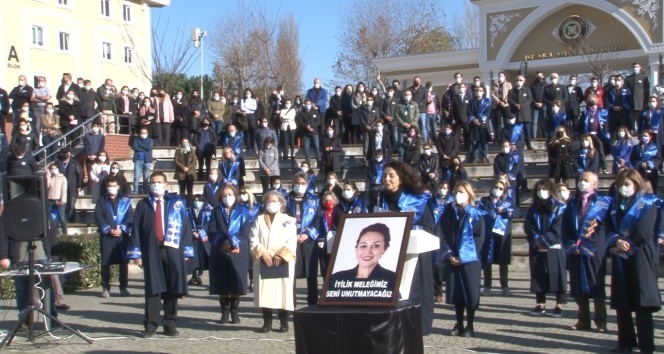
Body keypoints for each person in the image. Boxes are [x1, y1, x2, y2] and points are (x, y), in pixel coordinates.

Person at [126, 171, 194, 338]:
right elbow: (135, 229)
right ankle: (151, 324)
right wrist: (136, 253)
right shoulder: (143, 205)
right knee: (153, 287)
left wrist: (186, 250)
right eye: (153, 182)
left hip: (172, 249)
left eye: (159, 182)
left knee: (172, 286)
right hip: (152, 250)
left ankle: (170, 323)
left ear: (166, 185)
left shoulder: (176, 204)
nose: (156, 185)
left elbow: (185, 227)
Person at [373, 160, 435, 335]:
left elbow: (430, 227)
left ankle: (416, 328)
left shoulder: (417, 199)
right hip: (387, 254)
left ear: (401, 178)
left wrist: (411, 229)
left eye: (391, 175)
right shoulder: (378, 198)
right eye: (384, 175)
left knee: (412, 293)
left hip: (413, 256)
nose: (387, 179)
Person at [605, 169, 661, 353]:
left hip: (640, 256)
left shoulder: (648, 204)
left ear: (636, 184)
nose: (623, 188)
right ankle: (625, 341)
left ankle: (646, 346)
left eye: (627, 184)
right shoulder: (615, 205)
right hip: (620, 258)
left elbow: (644, 232)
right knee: (623, 300)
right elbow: (609, 228)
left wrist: (625, 244)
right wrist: (615, 242)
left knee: (641, 303)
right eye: (620, 185)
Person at [561, 172, 609, 333]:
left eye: (586, 180)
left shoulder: (603, 203)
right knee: (577, 286)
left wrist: (588, 246)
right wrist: (571, 246)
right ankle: (583, 319)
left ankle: (601, 320)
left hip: (593, 250)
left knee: (596, 285)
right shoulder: (572, 203)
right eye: (581, 179)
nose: (582, 183)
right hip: (575, 249)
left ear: (594, 184)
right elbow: (566, 226)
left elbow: (603, 228)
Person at [439, 181, 486, 337]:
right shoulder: (449, 212)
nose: (459, 195)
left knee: (470, 293)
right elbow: (443, 233)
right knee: (457, 294)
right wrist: (448, 255)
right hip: (452, 257)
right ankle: (458, 323)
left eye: (462, 192)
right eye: (457, 192)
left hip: (470, 260)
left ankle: (470, 325)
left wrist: (465, 256)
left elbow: (479, 238)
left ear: (469, 194)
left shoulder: (476, 214)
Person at [250, 191, 297, 333]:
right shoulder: (259, 219)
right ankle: (267, 322)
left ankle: (284, 322)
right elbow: (253, 239)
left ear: (281, 203)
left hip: (282, 261)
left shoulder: (288, 220)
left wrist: (281, 254)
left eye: (274, 201)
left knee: (283, 292)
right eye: (268, 201)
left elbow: (292, 239)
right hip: (265, 260)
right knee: (266, 292)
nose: (271, 203)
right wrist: (263, 253)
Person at [207, 185, 252, 324]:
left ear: (235, 195)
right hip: (220, 249)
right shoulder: (216, 211)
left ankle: (235, 311)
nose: (227, 197)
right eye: (225, 195)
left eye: (230, 194)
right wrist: (223, 242)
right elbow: (211, 230)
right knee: (222, 281)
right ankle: (224, 312)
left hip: (238, 250)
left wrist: (233, 243)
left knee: (236, 280)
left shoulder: (243, 211)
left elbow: (246, 232)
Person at [524, 178, 567, 318]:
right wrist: (537, 240)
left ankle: (559, 304)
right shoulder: (533, 208)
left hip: (554, 246)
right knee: (538, 274)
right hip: (536, 245)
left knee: (557, 273)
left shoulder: (559, 207)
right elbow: (528, 225)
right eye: (539, 190)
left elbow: (558, 228)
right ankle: (540, 303)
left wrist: (544, 242)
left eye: (544, 189)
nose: (541, 192)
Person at [327, 222, 398, 295]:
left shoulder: (392, 279)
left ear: (384, 249)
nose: (367, 252)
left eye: (376, 246)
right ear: (356, 249)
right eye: (363, 246)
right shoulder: (337, 278)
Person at [285, 172, 321, 306]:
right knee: (291, 274)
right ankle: (290, 304)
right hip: (291, 240)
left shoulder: (314, 200)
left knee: (311, 274)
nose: (299, 186)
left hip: (309, 240)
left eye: (302, 183)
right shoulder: (286, 199)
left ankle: (312, 304)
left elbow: (318, 220)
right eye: (297, 183)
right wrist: (292, 234)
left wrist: (307, 234)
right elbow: (283, 220)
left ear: (307, 184)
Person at [94, 176, 133, 298]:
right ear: (106, 187)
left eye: (114, 186)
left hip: (122, 237)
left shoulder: (125, 201)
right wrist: (108, 229)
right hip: (107, 237)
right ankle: (106, 288)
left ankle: (123, 288)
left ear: (118, 187)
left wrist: (122, 229)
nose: (112, 188)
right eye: (109, 186)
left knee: (123, 263)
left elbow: (130, 216)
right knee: (106, 263)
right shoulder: (101, 201)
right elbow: (98, 216)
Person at [480, 179, 519, 297]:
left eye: (501, 189)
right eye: (496, 187)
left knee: (503, 261)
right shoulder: (485, 200)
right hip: (489, 233)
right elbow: (482, 212)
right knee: (488, 260)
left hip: (503, 234)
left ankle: (504, 286)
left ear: (504, 191)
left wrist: (505, 211)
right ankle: (487, 286)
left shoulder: (507, 202)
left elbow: (516, 212)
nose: (498, 190)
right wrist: (494, 212)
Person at [187, 194, 211, 286]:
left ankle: (199, 275)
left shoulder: (207, 212)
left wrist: (202, 232)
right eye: (195, 200)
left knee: (201, 256)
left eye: (199, 200)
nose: (197, 202)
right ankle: (193, 275)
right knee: (193, 256)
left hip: (203, 236)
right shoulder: (189, 212)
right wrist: (193, 231)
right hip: (193, 236)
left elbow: (208, 223)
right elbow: (188, 222)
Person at [57, 148, 83, 222]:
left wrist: (79, 186)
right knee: (62, 205)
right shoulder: (58, 162)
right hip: (61, 188)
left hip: (72, 187)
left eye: (67, 153)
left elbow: (80, 174)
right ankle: (63, 221)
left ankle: (71, 220)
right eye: (63, 153)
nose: (65, 154)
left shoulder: (74, 163)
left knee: (71, 205)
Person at [509, 75, 534, 150]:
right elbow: (509, 99)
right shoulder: (512, 91)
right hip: (516, 113)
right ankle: (518, 144)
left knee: (527, 130)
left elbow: (529, 99)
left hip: (525, 113)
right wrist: (515, 104)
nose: (519, 82)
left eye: (520, 80)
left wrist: (522, 105)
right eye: (517, 80)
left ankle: (528, 144)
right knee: (517, 130)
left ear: (523, 81)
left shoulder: (527, 90)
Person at [468, 85, 492, 163]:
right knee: (475, 142)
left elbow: (488, 113)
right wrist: (473, 119)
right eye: (477, 90)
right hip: (474, 124)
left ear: (483, 92)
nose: (478, 92)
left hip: (483, 125)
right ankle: (476, 157)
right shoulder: (472, 101)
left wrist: (480, 120)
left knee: (484, 142)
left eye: (480, 90)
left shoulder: (487, 101)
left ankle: (484, 157)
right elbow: (469, 111)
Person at [296, 99, 323, 166]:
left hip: (314, 132)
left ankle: (318, 161)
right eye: (306, 104)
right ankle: (308, 162)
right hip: (305, 133)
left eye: (309, 104)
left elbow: (318, 121)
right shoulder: (301, 113)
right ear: (304, 105)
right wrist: (306, 126)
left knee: (317, 147)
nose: (308, 105)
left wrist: (311, 126)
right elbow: (300, 122)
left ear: (311, 104)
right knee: (306, 148)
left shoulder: (315, 112)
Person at [394, 89, 420, 159]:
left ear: (411, 96)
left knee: (413, 144)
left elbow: (417, 114)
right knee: (401, 145)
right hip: (402, 128)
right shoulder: (399, 104)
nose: (407, 96)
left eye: (409, 95)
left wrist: (411, 124)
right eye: (406, 95)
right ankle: (401, 160)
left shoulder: (415, 104)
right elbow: (396, 114)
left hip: (412, 129)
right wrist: (403, 124)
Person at [173, 137, 197, 203]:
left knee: (190, 190)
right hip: (181, 173)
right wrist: (183, 167)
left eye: (186, 142)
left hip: (190, 172)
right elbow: (176, 160)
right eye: (183, 142)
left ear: (188, 143)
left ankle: (190, 202)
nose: (185, 143)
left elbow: (194, 161)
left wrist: (188, 168)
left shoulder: (192, 150)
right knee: (182, 190)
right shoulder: (178, 151)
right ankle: (182, 202)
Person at [132, 127, 154, 194]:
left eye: (144, 133)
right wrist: (145, 147)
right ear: (139, 133)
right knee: (136, 176)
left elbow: (149, 147)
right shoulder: (136, 139)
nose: (143, 134)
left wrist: (140, 145)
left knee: (146, 177)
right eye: (141, 133)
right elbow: (135, 147)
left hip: (147, 160)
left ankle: (145, 191)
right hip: (138, 160)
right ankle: (135, 191)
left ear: (147, 133)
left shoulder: (150, 140)